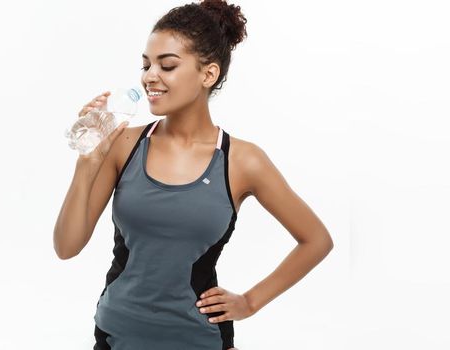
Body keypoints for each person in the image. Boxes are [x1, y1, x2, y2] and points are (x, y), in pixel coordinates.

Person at [53, 1, 334, 348]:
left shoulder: (242, 161)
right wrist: (87, 161)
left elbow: (316, 240)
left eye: (167, 65)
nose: (149, 76)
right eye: (146, 65)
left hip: (200, 339)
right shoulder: (124, 144)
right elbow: (67, 247)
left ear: (208, 74)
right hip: (116, 337)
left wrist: (249, 302)